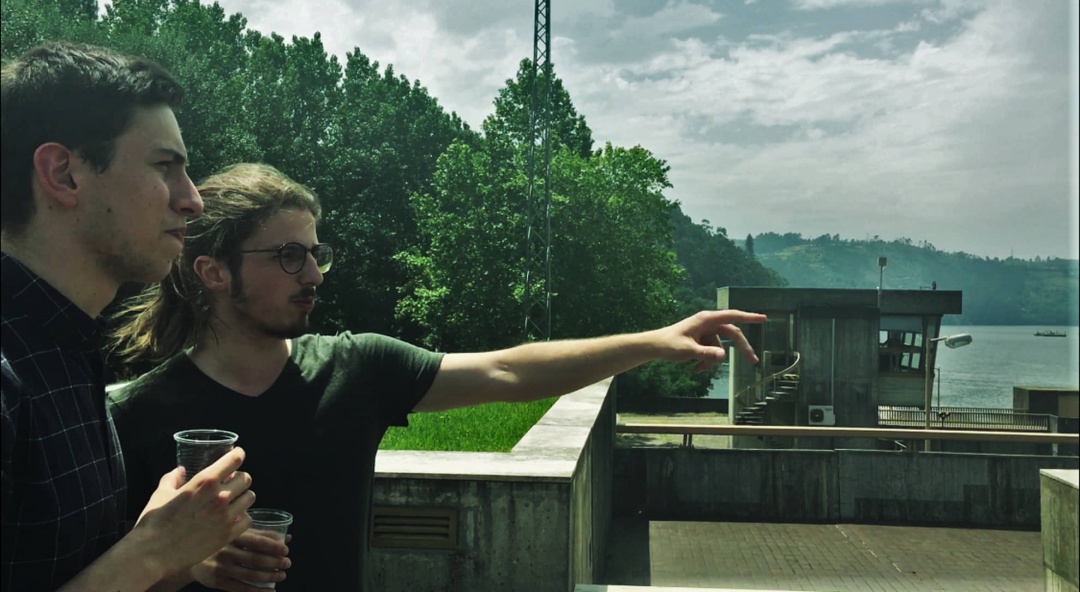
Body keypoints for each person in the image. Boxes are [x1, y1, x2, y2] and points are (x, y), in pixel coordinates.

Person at [106, 162, 767, 591]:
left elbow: (507, 370)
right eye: (287, 256)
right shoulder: (135, 415)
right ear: (214, 273)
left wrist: (653, 342)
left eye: (314, 253)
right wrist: (186, 563)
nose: (313, 275)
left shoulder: (357, 367)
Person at [1, 42, 258, 591]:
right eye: (165, 166)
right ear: (63, 174)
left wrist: (173, 562)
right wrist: (153, 550)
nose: (193, 200)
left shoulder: (67, 345)